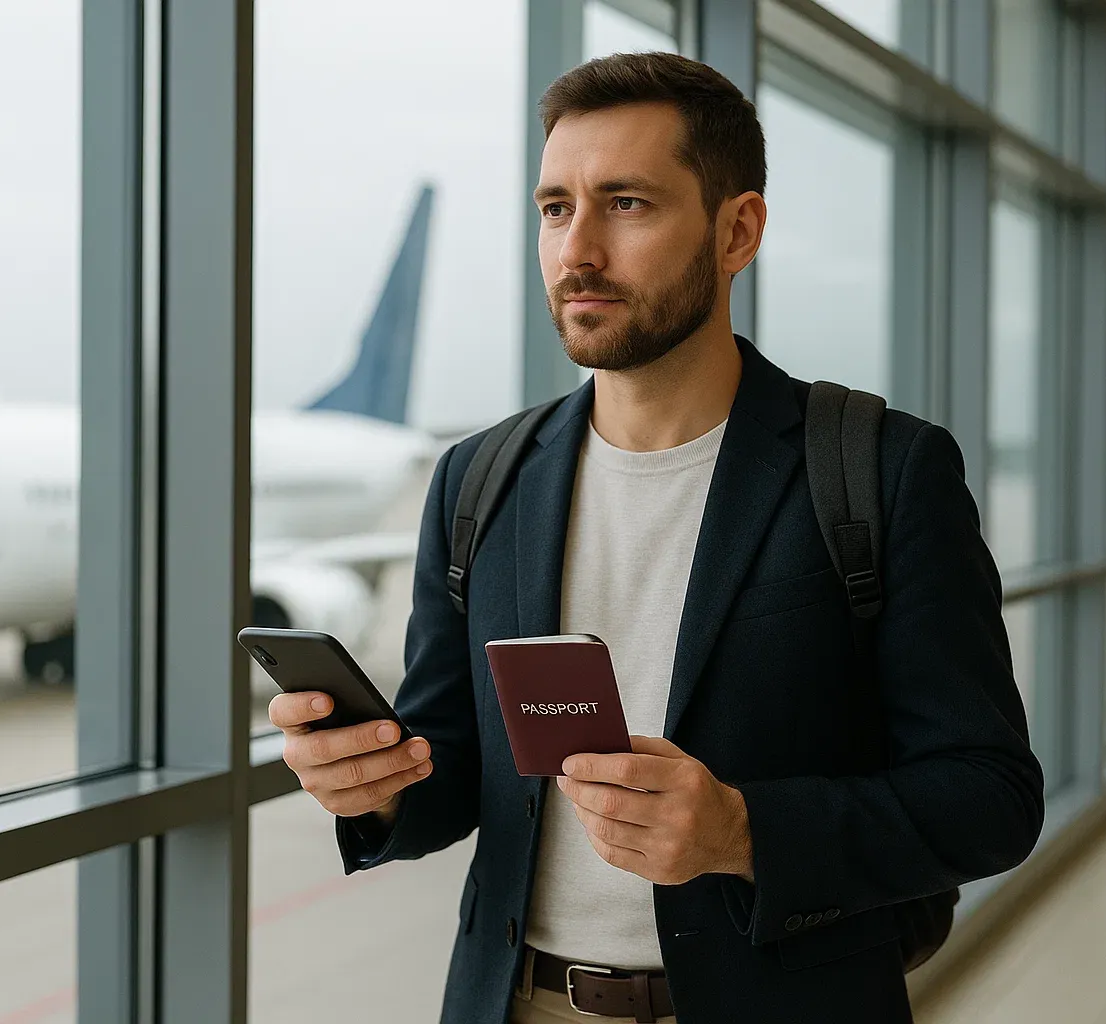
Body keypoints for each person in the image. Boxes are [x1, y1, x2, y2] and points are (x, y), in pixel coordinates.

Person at [270, 51, 1044, 1024]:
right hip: (520, 1003)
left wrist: (743, 829)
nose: (577, 250)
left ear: (737, 230)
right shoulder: (479, 480)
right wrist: (373, 784)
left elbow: (990, 796)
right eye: (556, 208)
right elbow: (456, 768)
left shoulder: (880, 471)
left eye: (626, 203)